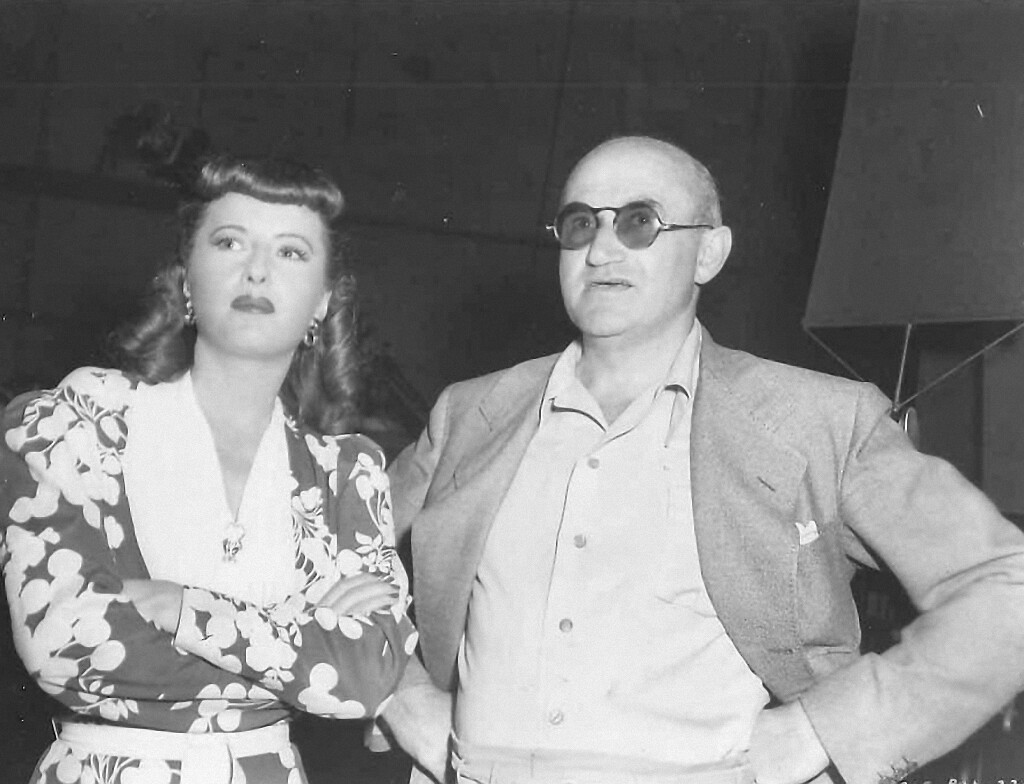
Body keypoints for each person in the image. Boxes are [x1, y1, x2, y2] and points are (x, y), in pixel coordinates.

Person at [379, 135, 1024, 784]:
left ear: (709, 253)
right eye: (580, 224)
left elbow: (1007, 586)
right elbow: (331, 553)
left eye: (640, 222)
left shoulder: (818, 422)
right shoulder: (469, 415)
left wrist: (820, 732)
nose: (601, 250)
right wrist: (402, 698)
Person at [0, 154, 417, 784]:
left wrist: (182, 608)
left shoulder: (346, 473)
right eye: (229, 242)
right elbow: (63, 643)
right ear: (187, 280)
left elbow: (370, 671)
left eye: (291, 252)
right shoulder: (80, 419)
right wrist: (303, 638)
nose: (257, 269)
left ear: (323, 302)